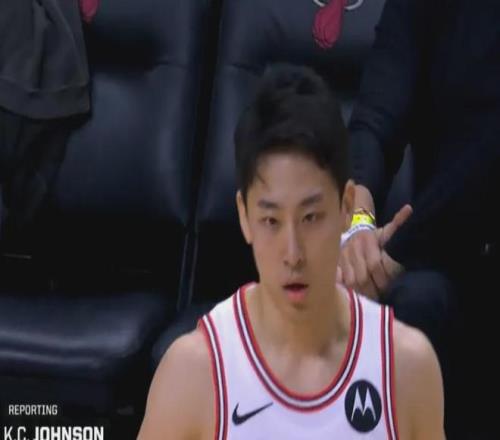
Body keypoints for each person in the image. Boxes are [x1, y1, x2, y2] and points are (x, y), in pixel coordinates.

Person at [137, 65, 445, 440]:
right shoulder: (193, 373)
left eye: (311, 217)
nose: (293, 253)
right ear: (244, 216)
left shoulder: (407, 367)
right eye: (271, 221)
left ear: (346, 207)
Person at [338, 0, 499, 437]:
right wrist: (357, 224)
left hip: (445, 235)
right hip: (446, 258)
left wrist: (394, 255)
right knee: (413, 308)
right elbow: (375, 117)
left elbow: (488, 155)